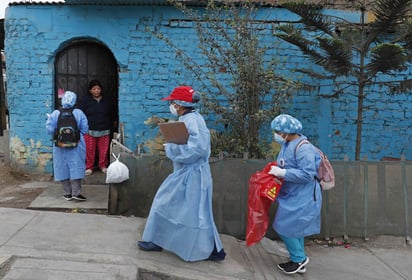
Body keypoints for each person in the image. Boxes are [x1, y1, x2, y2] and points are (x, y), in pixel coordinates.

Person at [137, 85, 226, 262]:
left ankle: (209, 249)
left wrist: (172, 148)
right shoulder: (190, 118)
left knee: (190, 211)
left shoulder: (191, 120)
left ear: (179, 104)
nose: (171, 105)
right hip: (187, 172)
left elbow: (197, 149)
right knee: (177, 207)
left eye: (173, 102)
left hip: (192, 173)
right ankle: (158, 240)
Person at [267, 114, 322, 274]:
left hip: (303, 196)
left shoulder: (304, 148)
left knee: (284, 226)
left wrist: (283, 172)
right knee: (295, 228)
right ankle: (298, 259)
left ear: (287, 131)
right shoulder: (288, 143)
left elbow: (307, 174)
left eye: (277, 131)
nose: (275, 134)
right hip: (293, 194)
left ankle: (299, 259)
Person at [46, 91, 89, 201]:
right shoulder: (79, 113)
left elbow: (49, 130)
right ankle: (76, 193)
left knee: (62, 167)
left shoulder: (55, 113)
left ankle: (67, 193)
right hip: (77, 144)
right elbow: (85, 129)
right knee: (76, 166)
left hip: (59, 145)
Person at [78, 79, 114, 175]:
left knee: (103, 150)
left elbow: (112, 114)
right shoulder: (86, 101)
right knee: (89, 150)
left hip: (104, 129)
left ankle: (103, 165)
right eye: (94, 89)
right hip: (89, 130)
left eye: (98, 89)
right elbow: (81, 115)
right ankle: (89, 167)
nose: (96, 91)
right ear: (90, 90)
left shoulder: (107, 100)